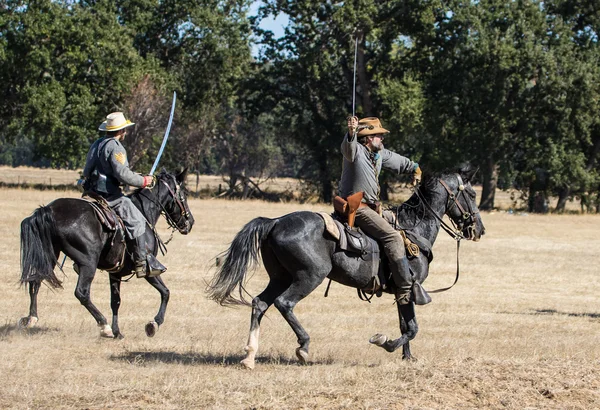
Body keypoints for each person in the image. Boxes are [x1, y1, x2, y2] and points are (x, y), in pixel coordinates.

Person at [339, 116, 428, 305]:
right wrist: (351, 132)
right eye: (379, 135)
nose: (383, 138)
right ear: (369, 138)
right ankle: (404, 290)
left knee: (400, 226)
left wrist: (415, 168)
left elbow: (399, 161)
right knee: (393, 237)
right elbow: (348, 147)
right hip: (357, 208)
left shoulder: (378, 154)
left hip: (373, 208)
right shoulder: (355, 152)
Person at [82, 112, 155, 278]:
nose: (126, 132)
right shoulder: (116, 147)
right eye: (124, 130)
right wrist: (144, 181)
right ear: (121, 131)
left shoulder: (97, 144)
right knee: (137, 221)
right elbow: (123, 175)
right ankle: (141, 262)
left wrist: (134, 175)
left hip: (91, 193)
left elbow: (87, 170)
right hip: (110, 196)